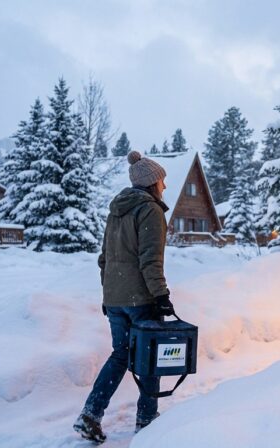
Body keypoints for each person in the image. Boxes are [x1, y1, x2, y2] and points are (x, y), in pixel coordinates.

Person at [74, 150, 176, 443]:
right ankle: (147, 420)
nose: (165, 187)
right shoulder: (150, 210)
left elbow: (104, 258)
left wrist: (109, 295)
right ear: (151, 183)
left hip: (115, 298)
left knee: (120, 355)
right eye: (162, 181)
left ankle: (90, 414)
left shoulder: (116, 211)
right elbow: (150, 259)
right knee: (150, 356)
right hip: (140, 299)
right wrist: (161, 294)